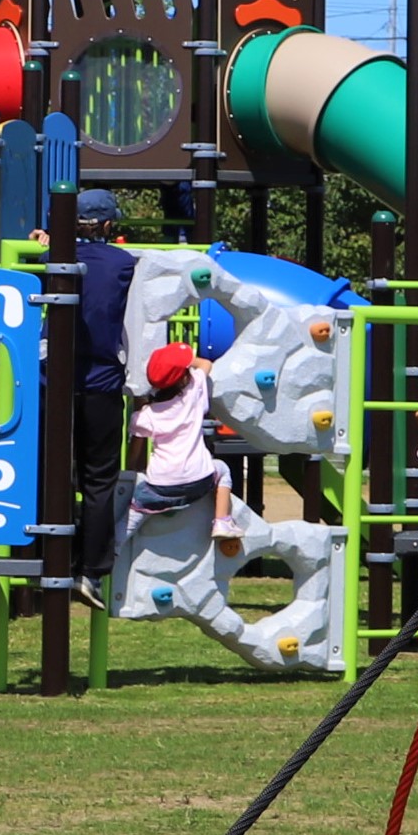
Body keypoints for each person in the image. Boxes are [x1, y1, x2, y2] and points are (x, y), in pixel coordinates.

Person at [73, 191, 136, 575]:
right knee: (99, 480)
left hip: (55, 381)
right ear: (108, 226)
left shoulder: (50, 260)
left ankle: (49, 558)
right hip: (103, 383)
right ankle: (93, 570)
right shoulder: (123, 263)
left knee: (53, 472)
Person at [130, 341, 239, 547]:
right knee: (223, 470)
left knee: (130, 518)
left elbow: (135, 450)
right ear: (184, 377)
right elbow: (206, 364)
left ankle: (107, 556)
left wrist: (132, 469)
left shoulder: (146, 417)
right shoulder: (194, 390)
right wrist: (188, 361)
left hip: (160, 486)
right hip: (199, 479)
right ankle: (222, 521)